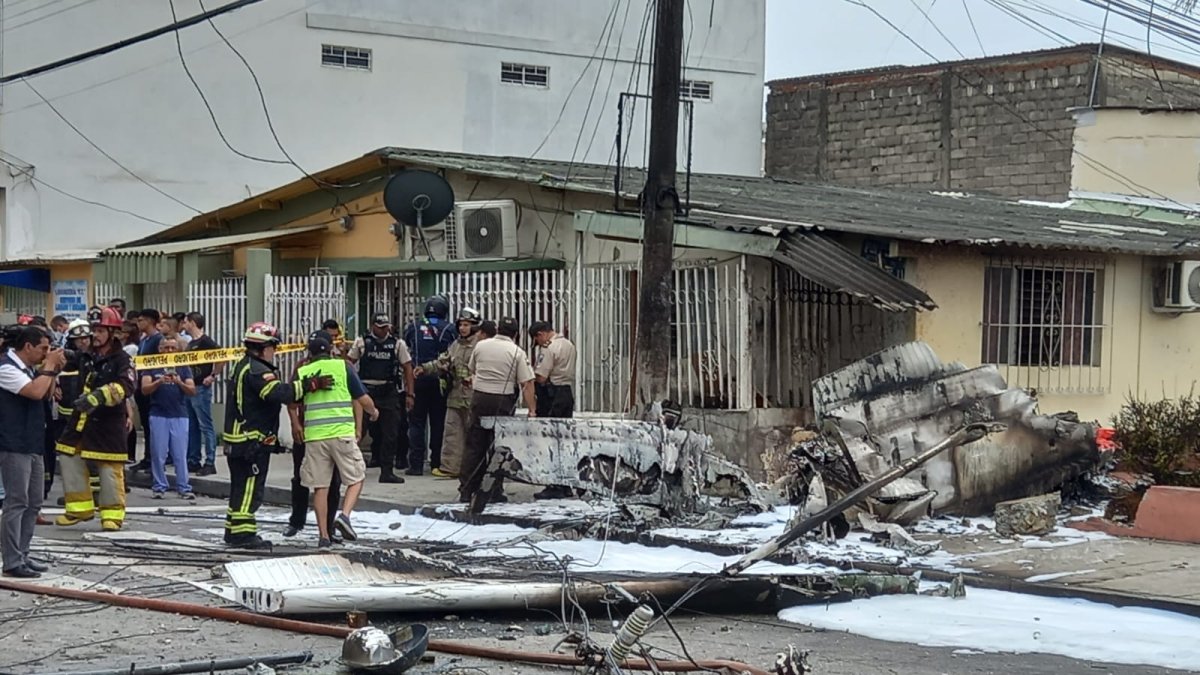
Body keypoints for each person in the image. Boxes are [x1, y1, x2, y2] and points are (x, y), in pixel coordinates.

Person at [222, 322, 333, 550]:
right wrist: (311, 384)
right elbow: (278, 393)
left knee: (239, 488)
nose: (274, 351)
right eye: (273, 346)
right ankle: (243, 535)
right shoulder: (258, 371)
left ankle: (233, 530)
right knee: (250, 489)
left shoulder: (242, 366)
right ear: (264, 347)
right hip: (250, 440)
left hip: (238, 439)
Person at [55, 307, 136, 531]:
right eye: (94, 330)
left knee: (109, 467)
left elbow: (126, 386)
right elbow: (68, 362)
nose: (95, 335)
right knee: (68, 454)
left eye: (100, 330)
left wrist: (97, 397)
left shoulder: (122, 360)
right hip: (81, 421)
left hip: (107, 423)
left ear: (113, 332)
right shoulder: (88, 355)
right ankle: (79, 509)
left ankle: (112, 515)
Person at [297, 333, 379, 548]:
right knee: (356, 477)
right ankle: (344, 516)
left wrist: (297, 426)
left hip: (315, 437)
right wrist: (373, 412)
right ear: (331, 349)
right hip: (341, 433)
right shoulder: (343, 367)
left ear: (310, 353)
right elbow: (362, 398)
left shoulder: (303, 371)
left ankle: (323, 536)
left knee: (320, 487)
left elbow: (292, 401)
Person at [0, 325, 65, 578]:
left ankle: (23, 553)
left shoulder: (28, 368)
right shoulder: (6, 368)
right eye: (43, 349)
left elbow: (47, 394)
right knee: (17, 501)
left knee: (34, 501)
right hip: (13, 443)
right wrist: (48, 367)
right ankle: (12, 559)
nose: (45, 353)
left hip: (33, 442)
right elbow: (35, 392)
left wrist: (53, 370)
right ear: (27, 346)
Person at [461, 317, 536, 506]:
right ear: (516, 334)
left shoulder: (481, 346)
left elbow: (472, 369)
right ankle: (493, 490)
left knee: (474, 445)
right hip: (502, 401)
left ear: (498, 330)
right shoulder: (517, 352)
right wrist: (532, 410)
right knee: (498, 447)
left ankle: (467, 489)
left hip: (479, 398)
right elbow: (526, 384)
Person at [285, 330, 344, 540]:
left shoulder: (341, 366)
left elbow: (355, 396)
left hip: (333, 432)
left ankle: (328, 528)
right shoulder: (302, 367)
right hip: (306, 430)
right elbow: (291, 398)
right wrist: (294, 424)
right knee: (300, 477)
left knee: (332, 483)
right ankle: (296, 521)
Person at [347, 313, 415, 483]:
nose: (384, 330)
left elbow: (407, 367)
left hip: (389, 391)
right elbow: (348, 363)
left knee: (390, 434)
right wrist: (352, 387)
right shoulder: (362, 342)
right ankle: (347, 469)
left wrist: (410, 393)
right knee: (358, 431)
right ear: (373, 326)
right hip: (365, 391)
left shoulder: (397, 344)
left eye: (386, 327)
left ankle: (387, 471)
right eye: (380, 327)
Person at [418, 308, 482, 480]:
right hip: (454, 396)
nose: (462, 328)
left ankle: (473, 469)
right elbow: (443, 360)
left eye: (467, 325)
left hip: (472, 397)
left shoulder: (480, 346)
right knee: (452, 433)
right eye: (460, 325)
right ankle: (450, 467)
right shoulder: (456, 345)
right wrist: (425, 368)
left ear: (475, 326)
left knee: (474, 436)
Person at [404, 295, 456, 476]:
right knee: (438, 422)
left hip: (417, 378)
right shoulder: (450, 329)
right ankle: (436, 462)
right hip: (439, 380)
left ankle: (416, 465)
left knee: (416, 423)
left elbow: (407, 350)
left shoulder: (413, 327)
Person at [141, 337, 195, 500]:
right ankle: (159, 486)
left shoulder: (183, 367)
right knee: (158, 453)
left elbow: (192, 390)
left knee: (180, 454)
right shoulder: (151, 365)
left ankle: (183, 487)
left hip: (179, 414)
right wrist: (159, 381)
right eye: (166, 348)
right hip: (158, 414)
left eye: (173, 348)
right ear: (160, 349)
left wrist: (179, 382)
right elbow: (144, 389)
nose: (169, 351)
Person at [182, 312, 220, 475]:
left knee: (205, 425)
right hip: (191, 386)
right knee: (193, 425)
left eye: (186, 322)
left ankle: (210, 461)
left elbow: (221, 356)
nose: (184, 325)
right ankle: (193, 459)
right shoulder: (192, 343)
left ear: (192, 323)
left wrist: (212, 376)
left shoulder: (206, 341)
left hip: (201, 388)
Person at [131, 309, 163, 471]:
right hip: (141, 386)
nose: (139, 323)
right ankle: (147, 457)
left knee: (153, 426)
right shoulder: (144, 340)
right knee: (145, 424)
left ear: (150, 321)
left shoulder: (158, 340)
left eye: (141, 320)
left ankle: (155, 460)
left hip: (153, 387)